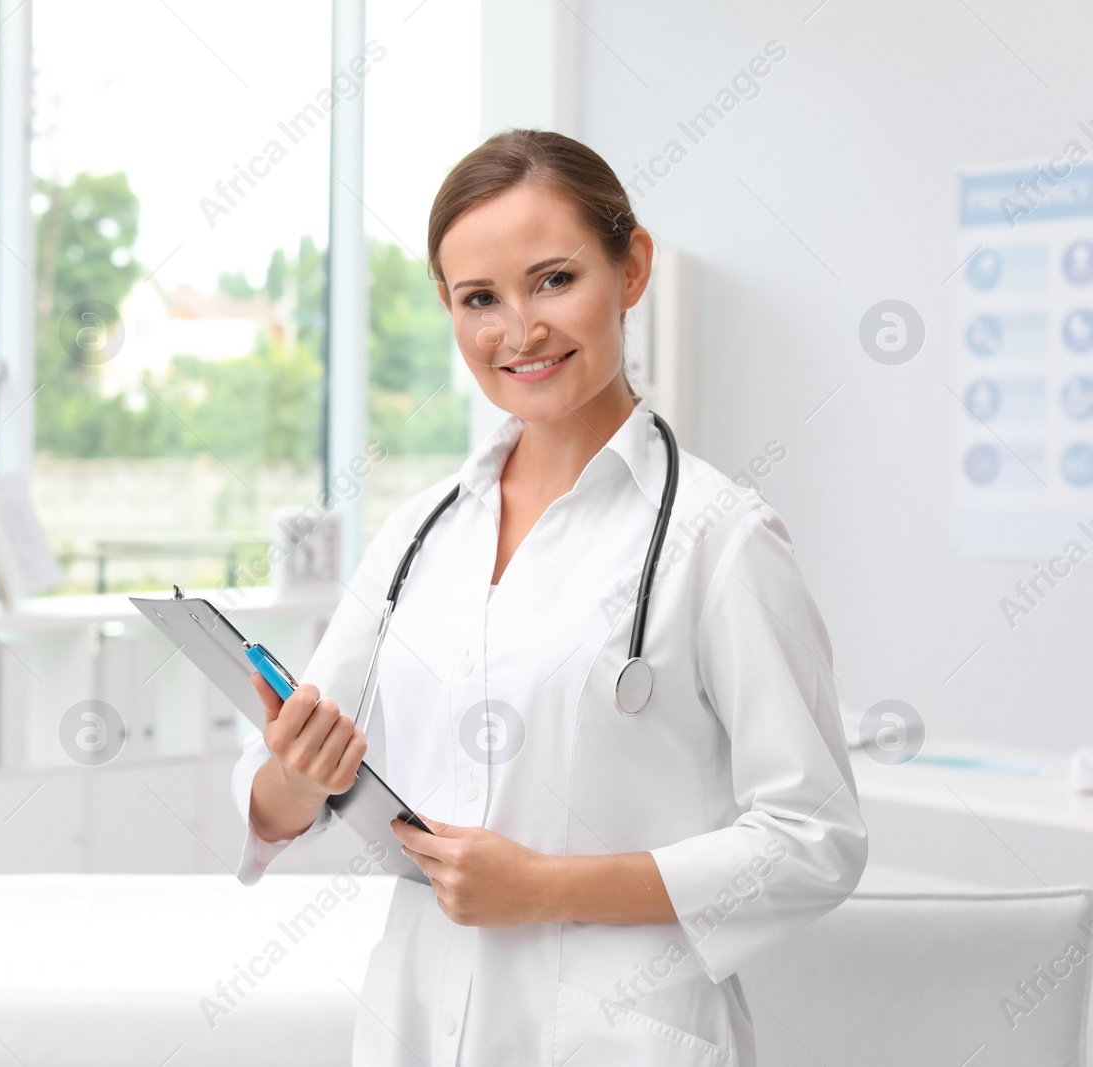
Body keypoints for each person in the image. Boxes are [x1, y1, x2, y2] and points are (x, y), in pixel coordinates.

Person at [231, 128, 866, 1066]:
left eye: (554, 280)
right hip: (416, 1020)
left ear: (632, 267)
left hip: (620, 1036)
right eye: (479, 298)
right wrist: (295, 774)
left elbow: (815, 840)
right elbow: (274, 803)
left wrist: (547, 886)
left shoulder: (719, 535)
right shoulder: (417, 535)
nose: (519, 330)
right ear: (447, 309)